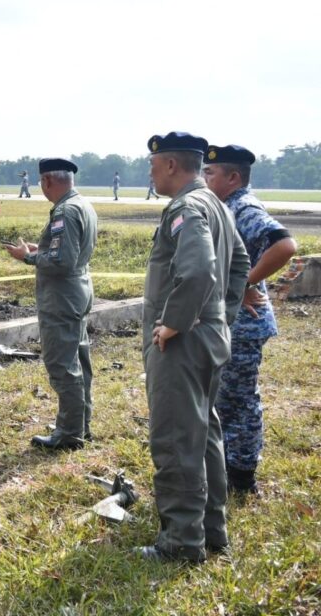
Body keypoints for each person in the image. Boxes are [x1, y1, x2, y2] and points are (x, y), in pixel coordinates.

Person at [137, 131, 249, 563]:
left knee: (176, 438)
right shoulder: (217, 205)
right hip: (209, 336)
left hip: (182, 342)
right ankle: (211, 530)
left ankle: (182, 541)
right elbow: (238, 263)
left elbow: (200, 269)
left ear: (170, 165)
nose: (149, 172)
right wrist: (223, 315)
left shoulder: (187, 206)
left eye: (153, 164)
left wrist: (174, 323)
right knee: (204, 434)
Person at [204, 144, 297, 496]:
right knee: (226, 399)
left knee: (238, 401)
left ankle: (241, 476)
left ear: (233, 177)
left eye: (210, 173)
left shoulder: (242, 207)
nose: (204, 178)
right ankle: (226, 467)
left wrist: (246, 281)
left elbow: (284, 244)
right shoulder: (226, 206)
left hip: (245, 320)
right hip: (234, 319)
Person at [3, 158, 97, 451]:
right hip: (78, 292)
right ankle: (80, 425)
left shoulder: (65, 212)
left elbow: (61, 261)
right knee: (79, 361)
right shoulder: (82, 205)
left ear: (47, 181)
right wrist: (40, 248)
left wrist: (27, 257)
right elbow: (67, 251)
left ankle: (69, 433)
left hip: (62, 297)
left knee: (62, 365)